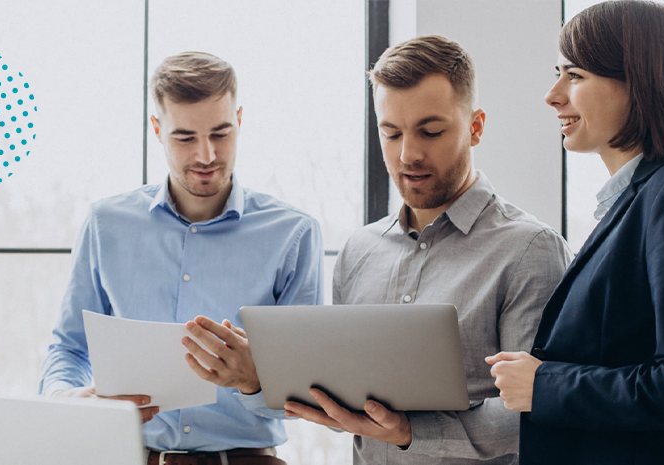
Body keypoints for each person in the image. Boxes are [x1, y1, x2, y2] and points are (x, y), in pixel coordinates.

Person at [284, 35, 572, 465]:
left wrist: (410, 432)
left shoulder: (529, 250)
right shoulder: (358, 251)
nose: (408, 154)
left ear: (475, 127)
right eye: (391, 132)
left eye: (431, 131)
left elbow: (536, 413)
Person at [39, 51, 323, 465]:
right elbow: (69, 348)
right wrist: (68, 398)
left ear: (240, 121)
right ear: (157, 129)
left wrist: (254, 380)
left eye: (221, 134)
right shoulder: (105, 224)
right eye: (185, 138)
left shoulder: (293, 234)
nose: (206, 156)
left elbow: (306, 390)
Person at [486, 2, 664, 464]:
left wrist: (545, 385)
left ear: (637, 83)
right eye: (557, 73)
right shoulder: (631, 203)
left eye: (575, 75)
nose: (553, 95)